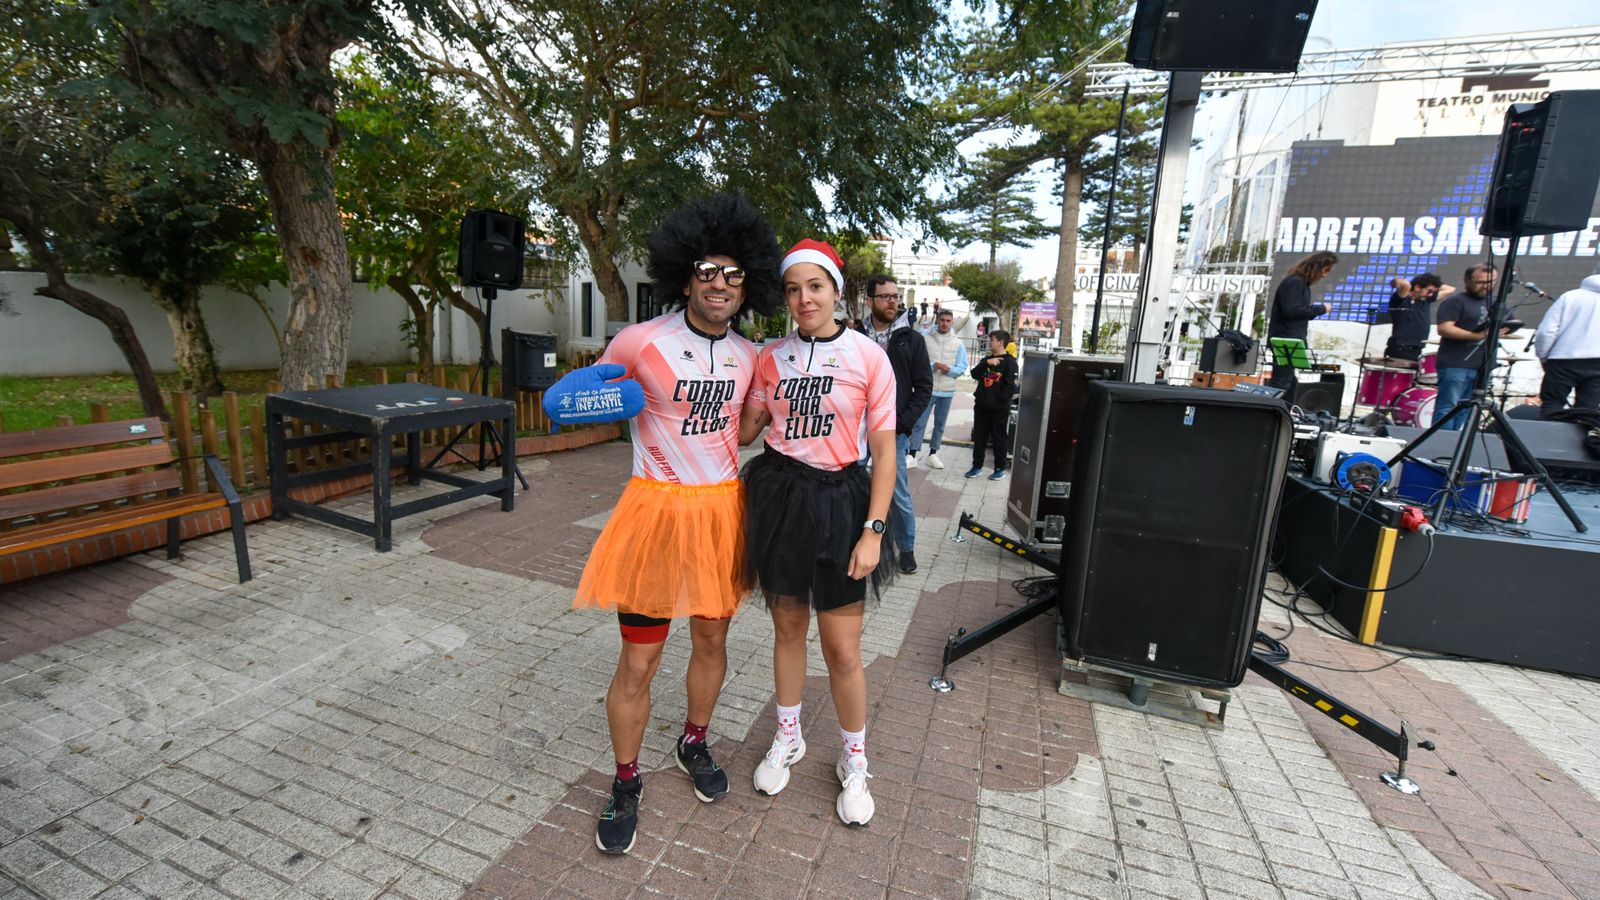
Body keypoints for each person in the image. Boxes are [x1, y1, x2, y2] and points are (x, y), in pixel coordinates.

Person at [545, 193, 782, 855]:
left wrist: (772, 410)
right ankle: (625, 781)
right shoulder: (640, 341)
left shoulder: (750, 355)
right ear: (685, 278)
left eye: (734, 274)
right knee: (639, 661)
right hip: (654, 514)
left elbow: (740, 432)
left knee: (711, 643)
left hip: (720, 515)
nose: (720, 283)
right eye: (707, 270)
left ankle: (693, 743)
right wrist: (574, 398)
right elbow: (588, 395)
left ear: (747, 286)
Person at [737, 238, 899, 826]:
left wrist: (873, 531)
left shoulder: (868, 357)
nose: (804, 298)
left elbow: (886, 452)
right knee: (787, 629)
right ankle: (789, 736)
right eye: (793, 289)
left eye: (815, 286)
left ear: (835, 291)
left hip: (841, 505)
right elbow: (746, 431)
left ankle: (855, 758)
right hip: (780, 499)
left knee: (842, 648)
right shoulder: (770, 358)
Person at [857, 275, 932, 575]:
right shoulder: (853, 336)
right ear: (870, 300)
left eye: (895, 296)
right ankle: (856, 543)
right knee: (852, 487)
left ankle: (906, 548)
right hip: (855, 429)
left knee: (897, 493)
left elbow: (923, 387)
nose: (893, 302)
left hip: (892, 431)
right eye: (885, 296)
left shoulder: (912, 339)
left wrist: (903, 423)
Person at [1433, 263, 1504, 430]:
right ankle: (1442, 441)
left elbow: (1508, 321)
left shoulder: (1496, 302)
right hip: (1456, 363)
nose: (1486, 286)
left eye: (1490, 282)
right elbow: (1444, 328)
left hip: (1482, 364)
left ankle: (1456, 440)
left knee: (1468, 408)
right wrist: (1477, 336)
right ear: (1467, 280)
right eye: (1480, 282)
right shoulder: (1456, 301)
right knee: (1447, 407)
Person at [1266, 251, 1337, 394]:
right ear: (1317, 267)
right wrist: (1321, 309)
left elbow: (1296, 311)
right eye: (1326, 270)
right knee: (1280, 381)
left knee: (1285, 381)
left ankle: (1271, 405)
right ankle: (1264, 405)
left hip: (1289, 339)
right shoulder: (1295, 282)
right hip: (1286, 339)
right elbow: (1291, 311)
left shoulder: (1300, 284)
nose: (1325, 275)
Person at [1532, 270, 1600, 418]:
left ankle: (1547, 432)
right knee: (1588, 412)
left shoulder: (1570, 296)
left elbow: (1546, 332)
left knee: (1552, 405)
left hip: (1562, 359)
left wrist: (1543, 356)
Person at [908, 308, 968, 470]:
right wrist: (933, 366)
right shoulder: (926, 339)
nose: (945, 323)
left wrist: (950, 370)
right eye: (942, 320)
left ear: (952, 322)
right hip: (927, 390)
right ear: (938, 321)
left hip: (947, 391)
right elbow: (917, 362)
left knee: (940, 424)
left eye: (948, 321)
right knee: (919, 423)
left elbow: (962, 366)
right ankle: (912, 454)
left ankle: (933, 454)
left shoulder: (958, 343)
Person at [966, 330, 1017, 480]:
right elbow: (974, 374)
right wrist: (986, 363)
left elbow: (1010, 387)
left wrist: (997, 402)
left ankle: (999, 469)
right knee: (979, 438)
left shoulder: (1010, 362)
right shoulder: (987, 359)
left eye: (992, 340)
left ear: (1000, 343)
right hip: (981, 407)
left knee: (999, 438)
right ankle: (977, 467)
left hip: (999, 410)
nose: (989, 343)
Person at [1383, 272, 1453, 363]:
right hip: (1400, 349)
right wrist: (1395, 281)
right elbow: (1405, 284)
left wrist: (1433, 283)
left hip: (1416, 350)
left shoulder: (1426, 300)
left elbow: (1450, 289)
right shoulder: (1402, 299)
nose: (1431, 294)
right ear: (1417, 287)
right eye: (1429, 291)